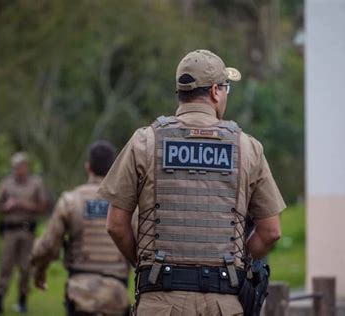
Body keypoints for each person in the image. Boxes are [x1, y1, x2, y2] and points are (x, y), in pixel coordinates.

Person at [99, 49, 286, 315]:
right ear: (214, 91)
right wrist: (237, 265)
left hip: (159, 301)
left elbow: (116, 225)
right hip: (222, 303)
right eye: (226, 88)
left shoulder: (144, 141)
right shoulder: (247, 147)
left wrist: (144, 265)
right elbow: (271, 231)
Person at [31, 140, 130, 316]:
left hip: (80, 293)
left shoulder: (71, 201)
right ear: (115, 167)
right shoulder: (127, 204)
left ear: (88, 167)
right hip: (116, 293)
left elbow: (47, 245)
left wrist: (40, 271)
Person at [0, 152, 49, 314]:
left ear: (26, 167)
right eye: (14, 167)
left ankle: (22, 301)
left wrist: (24, 205)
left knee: (26, 267)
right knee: (5, 266)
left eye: (19, 167)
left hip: (27, 230)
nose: (16, 170)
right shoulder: (6, 183)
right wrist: (6, 207)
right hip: (10, 230)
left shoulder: (36, 183)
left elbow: (43, 207)